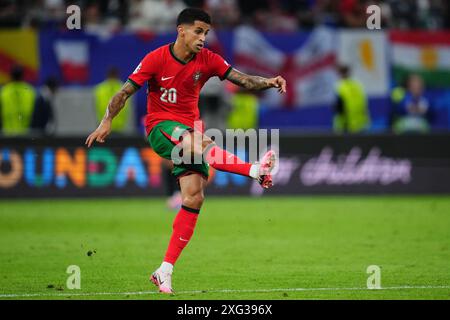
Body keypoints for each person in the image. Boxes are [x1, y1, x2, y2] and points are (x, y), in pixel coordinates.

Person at [85, 8, 286, 294]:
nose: (203, 38)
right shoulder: (156, 58)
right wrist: (106, 121)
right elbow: (124, 92)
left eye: (207, 33)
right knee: (200, 143)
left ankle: (164, 270)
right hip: (161, 128)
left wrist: (269, 81)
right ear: (182, 30)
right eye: (198, 31)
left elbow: (242, 79)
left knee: (194, 197)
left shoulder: (209, 60)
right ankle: (255, 170)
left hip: (190, 129)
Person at [94, 67, 133, 133]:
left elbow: (96, 108)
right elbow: (127, 109)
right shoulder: (125, 88)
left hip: (103, 125)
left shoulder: (99, 89)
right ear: (117, 76)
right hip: (120, 127)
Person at [333, 65, 370, 133]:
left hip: (346, 124)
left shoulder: (340, 86)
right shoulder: (357, 85)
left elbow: (338, 107)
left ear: (339, 73)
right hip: (360, 123)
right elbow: (364, 103)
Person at [0, 65, 36, 135]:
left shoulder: (3, 92)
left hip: (7, 137)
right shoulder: (31, 91)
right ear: (22, 76)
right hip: (26, 136)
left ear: (11, 76)